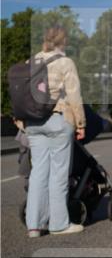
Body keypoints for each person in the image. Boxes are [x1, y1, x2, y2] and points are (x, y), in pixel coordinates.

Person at [23, 26, 86, 237]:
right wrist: (81, 124)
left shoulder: (31, 62)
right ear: (63, 42)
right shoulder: (65, 62)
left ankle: (34, 225)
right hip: (57, 119)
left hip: (33, 122)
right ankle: (59, 224)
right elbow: (74, 96)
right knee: (58, 174)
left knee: (38, 173)